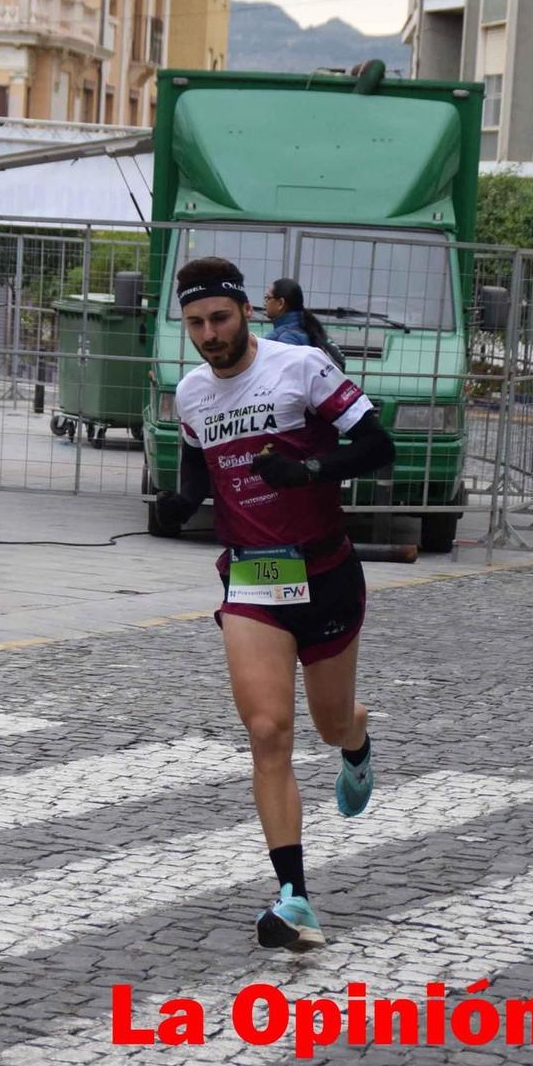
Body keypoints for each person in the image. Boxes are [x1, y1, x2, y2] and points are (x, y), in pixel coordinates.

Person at [153, 256, 396, 951]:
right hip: (254, 584)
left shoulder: (301, 368)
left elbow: (380, 449)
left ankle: (356, 738)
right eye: (196, 323)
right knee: (267, 732)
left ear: (246, 312)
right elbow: (200, 470)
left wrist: (308, 471)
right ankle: (294, 897)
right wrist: (180, 503)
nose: (209, 335)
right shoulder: (193, 395)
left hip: (324, 573)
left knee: (326, 723)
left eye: (220, 319)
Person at [262, 278, 346, 370]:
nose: (264, 303)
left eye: (267, 298)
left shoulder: (287, 338)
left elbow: (289, 378)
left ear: (281, 303)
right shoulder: (308, 328)